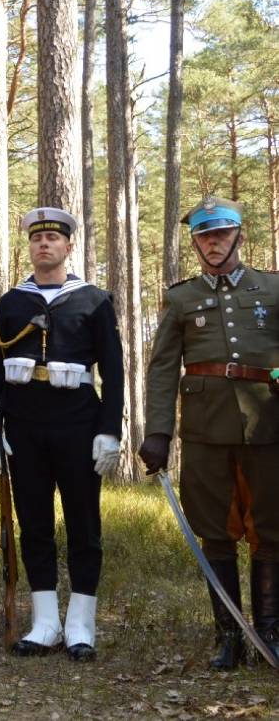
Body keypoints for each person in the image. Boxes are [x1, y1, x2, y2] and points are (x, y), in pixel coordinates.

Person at [140, 197, 279, 668]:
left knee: (272, 530)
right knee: (215, 532)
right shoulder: (181, 298)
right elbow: (162, 369)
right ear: (195, 242)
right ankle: (230, 637)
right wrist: (158, 431)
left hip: (269, 426)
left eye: (221, 234)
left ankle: (269, 633)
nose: (213, 243)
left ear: (239, 235)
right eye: (204, 236)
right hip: (204, 432)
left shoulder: (273, 289)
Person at [0, 207, 124, 662]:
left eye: (53, 238)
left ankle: (80, 624)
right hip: (24, 427)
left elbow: (115, 372)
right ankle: (45, 621)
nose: (44, 244)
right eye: (37, 238)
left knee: (84, 524)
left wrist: (109, 431)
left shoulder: (95, 301)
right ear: (30, 247)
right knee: (34, 524)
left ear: (67, 246)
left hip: (80, 424)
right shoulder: (8, 304)